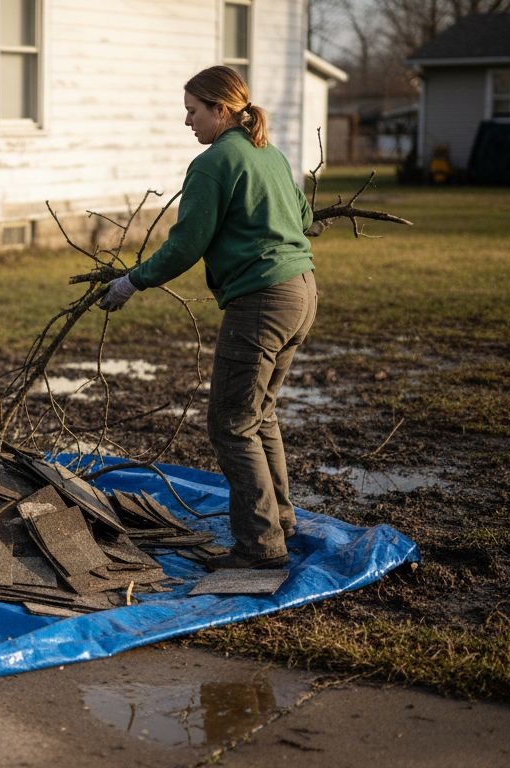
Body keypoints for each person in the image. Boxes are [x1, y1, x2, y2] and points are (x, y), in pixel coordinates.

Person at [98, 65, 319, 570]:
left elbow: (186, 246)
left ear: (221, 110)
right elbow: (306, 221)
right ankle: (280, 521)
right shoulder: (271, 153)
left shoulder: (214, 162)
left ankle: (260, 548)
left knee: (231, 424)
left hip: (262, 300)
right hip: (302, 291)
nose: (188, 122)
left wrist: (133, 281)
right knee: (258, 415)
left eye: (193, 112)